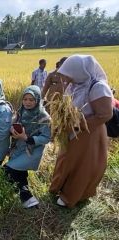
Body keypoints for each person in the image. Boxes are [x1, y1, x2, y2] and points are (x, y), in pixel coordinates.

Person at [49, 55, 113, 208]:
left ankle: (71, 196)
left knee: (83, 165)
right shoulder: (75, 84)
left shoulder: (98, 87)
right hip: (72, 129)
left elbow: (105, 115)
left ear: (79, 71)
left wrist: (76, 125)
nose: (65, 76)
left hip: (89, 134)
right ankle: (59, 187)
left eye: (68, 72)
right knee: (66, 159)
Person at [5, 85, 51, 208]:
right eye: (25, 99)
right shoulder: (21, 111)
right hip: (18, 147)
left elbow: (46, 138)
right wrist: (12, 131)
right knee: (20, 173)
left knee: (9, 169)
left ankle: (26, 197)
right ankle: (24, 196)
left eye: (31, 100)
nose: (28, 102)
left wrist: (27, 138)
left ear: (37, 100)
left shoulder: (43, 117)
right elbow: (14, 124)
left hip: (31, 150)